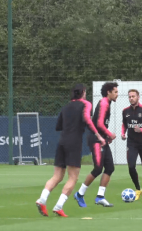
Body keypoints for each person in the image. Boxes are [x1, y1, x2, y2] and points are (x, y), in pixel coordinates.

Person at [35, 84, 106, 217]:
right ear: (83, 92)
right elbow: (87, 120)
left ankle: (42, 199)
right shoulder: (86, 104)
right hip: (74, 143)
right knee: (73, 177)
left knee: (57, 176)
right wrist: (99, 136)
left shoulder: (66, 106)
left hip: (62, 141)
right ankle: (58, 206)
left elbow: (58, 126)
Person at [74, 82, 119, 207]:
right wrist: (109, 134)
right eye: (115, 92)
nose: (117, 94)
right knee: (98, 168)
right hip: (96, 140)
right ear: (108, 92)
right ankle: (80, 194)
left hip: (101, 139)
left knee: (109, 167)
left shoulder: (107, 103)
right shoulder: (104, 103)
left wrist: (106, 137)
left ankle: (100, 197)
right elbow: (99, 124)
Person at [121, 89, 142, 201]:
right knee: (131, 166)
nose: (131, 98)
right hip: (131, 143)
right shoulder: (125, 111)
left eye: (133, 96)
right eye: (129, 96)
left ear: (138, 97)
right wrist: (122, 133)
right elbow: (124, 125)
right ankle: (138, 189)